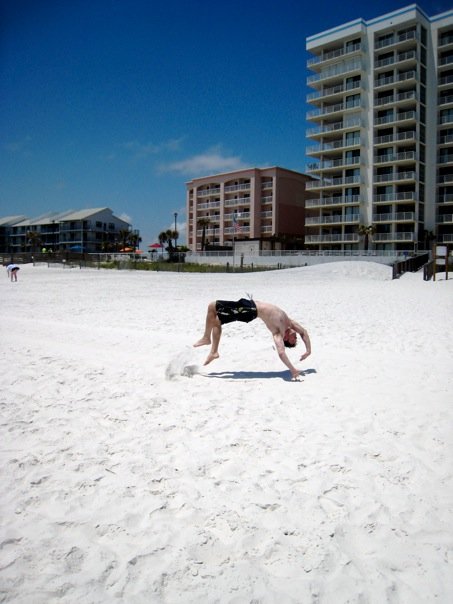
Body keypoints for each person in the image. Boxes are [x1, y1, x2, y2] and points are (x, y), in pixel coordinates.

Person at [194, 298, 311, 380]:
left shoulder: (278, 333)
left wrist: (292, 369)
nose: (295, 336)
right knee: (216, 320)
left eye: (293, 340)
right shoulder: (290, 323)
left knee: (212, 306)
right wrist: (308, 350)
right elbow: (304, 333)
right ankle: (213, 351)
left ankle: (206, 338)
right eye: (295, 338)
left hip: (250, 310)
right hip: (249, 305)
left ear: (286, 339)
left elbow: (281, 353)